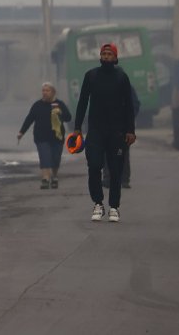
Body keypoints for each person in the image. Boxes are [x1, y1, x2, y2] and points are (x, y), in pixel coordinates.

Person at [73, 43, 137, 223]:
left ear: (115, 58)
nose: (106, 56)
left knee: (116, 170)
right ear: (100, 56)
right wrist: (77, 127)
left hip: (117, 132)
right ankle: (98, 204)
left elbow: (129, 106)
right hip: (95, 130)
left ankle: (114, 207)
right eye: (104, 53)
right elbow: (83, 102)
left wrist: (130, 130)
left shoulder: (122, 78)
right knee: (94, 166)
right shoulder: (91, 76)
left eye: (110, 54)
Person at [18, 82, 72, 190]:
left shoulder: (60, 104)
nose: (45, 93)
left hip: (57, 137)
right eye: (43, 90)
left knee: (55, 159)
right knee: (44, 157)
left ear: (53, 92)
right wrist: (21, 132)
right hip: (41, 137)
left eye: (47, 90)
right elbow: (29, 119)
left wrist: (60, 113)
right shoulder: (37, 105)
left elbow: (68, 118)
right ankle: (45, 179)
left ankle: (54, 177)